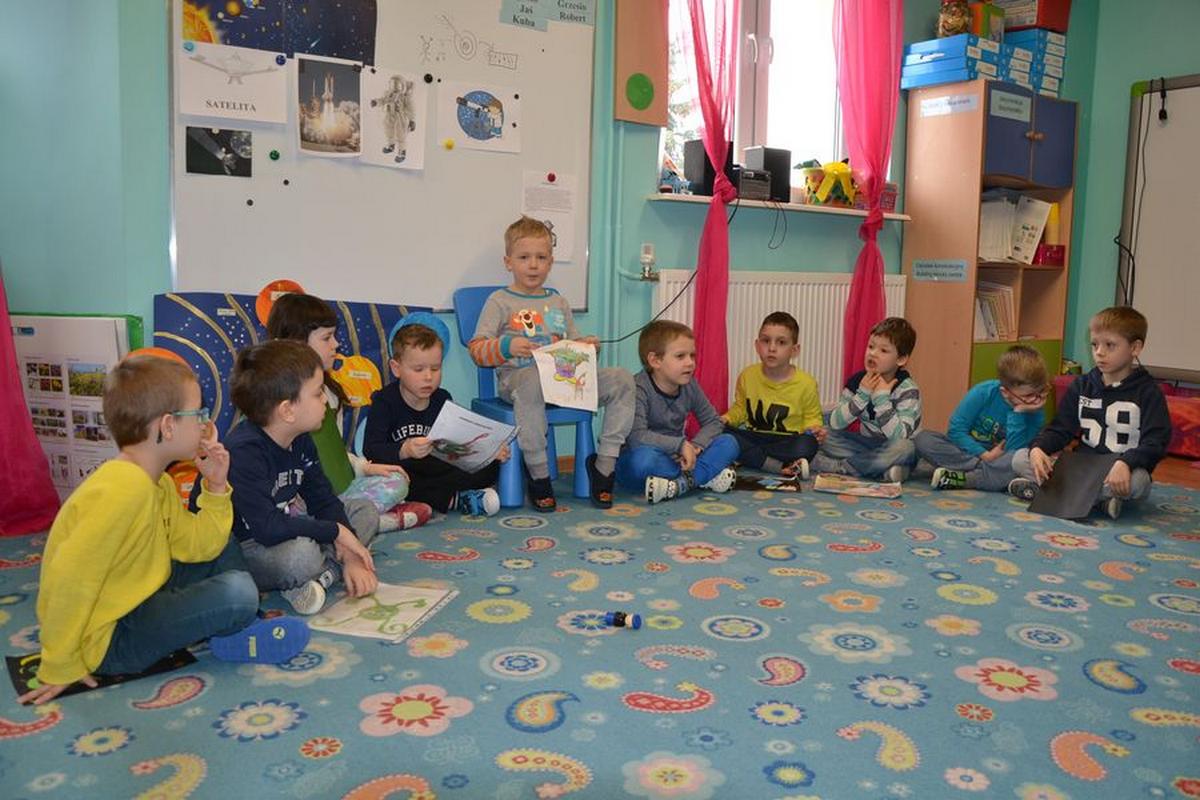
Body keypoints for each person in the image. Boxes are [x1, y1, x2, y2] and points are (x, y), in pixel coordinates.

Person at [22, 356, 308, 705]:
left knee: (224, 546)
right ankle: (235, 624)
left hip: (139, 594)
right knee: (239, 592)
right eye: (199, 414)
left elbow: (200, 547)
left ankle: (233, 627)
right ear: (169, 426)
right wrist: (61, 662)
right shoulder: (122, 490)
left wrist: (216, 486)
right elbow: (69, 579)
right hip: (112, 638)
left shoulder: (157, 482)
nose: (206, 424)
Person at [468, 216, 635, 511]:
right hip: (520, 381)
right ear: (508, 262)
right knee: (533, 378)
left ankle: (604, 467)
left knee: (622, 378)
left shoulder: (558, 302)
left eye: (541, 258)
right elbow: (477, 350)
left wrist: (586, 346)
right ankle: (539, 474)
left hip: (564, 381)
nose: (533, 265)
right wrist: (507, 346)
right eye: (524, 257)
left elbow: (572, 345)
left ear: (550, 262)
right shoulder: (499, 301)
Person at [218, 340, 379, 616]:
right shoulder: (244, 452)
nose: (325, 400)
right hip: (248, 546)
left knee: (364, 510)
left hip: (288, 528)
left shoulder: (300, 438)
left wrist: (352, 556)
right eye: (317, 393)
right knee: (301, 557)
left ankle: (324, 574)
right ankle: (321, 570)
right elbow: (267, 529)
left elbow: (323, 500)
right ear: (287, 410)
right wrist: (337, 533)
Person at [266, 292, 429, 531]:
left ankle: (355, 519)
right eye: (327, 338)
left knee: (397, 481)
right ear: (297, 343)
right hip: (302, 497)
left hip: (339, 491)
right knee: (297, 508)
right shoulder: (279, 401)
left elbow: (336, 453)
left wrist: (365, 468)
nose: (336, 344)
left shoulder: (330, 394)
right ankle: (366, 521)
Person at [1008, 306, 1172, 519]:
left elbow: (1156, 443)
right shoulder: (1081, 386)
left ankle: (1053, 492)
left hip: (1116, 471)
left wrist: (1126, 462)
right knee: (1020, 458)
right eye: (1095, 344)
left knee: (1139, 482)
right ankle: (1100, 501)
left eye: (1110, 345)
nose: (1099, 352)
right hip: (1081, 467)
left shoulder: (1148, 392)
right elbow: (1060, 429)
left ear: (1135, 348)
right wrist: (1039, 448)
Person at [363, 320, 508, 516]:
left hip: (436, 468)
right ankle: (457, 499)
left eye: (435, 368)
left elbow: (457, 445)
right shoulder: (384, 401)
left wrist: (487, 452)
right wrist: (405, 450)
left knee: (490, 466)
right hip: (406, 471)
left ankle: (453, 496)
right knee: (398, 479)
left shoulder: (442, 398)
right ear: (396, 368)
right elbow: (371, 450)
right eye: (418, 369)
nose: (428, 377)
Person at [616, 320, 740, 503]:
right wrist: (680, 445)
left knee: (730, 443)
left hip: (679, 459)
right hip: (647, 458)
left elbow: (713, 421)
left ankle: (679, 485)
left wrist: (696, 446)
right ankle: (701, 478)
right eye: (680, 356)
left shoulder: (689, 385)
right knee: (642, 461)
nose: (690, 363)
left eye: (692, 355)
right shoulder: (638, 388)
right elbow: (637, 437)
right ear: (655, 360)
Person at [916, 345, 1048, 491]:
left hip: (1002, 460)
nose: (1035, 399)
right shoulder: (984, 392)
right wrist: (985, 456)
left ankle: (967, 478)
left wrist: (1018, 412)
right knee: (923, 439)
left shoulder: (1034, 410)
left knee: (1019, 459)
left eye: (1040, 392)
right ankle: (981, 473)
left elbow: (1015, 449)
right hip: (969, 452)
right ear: (1005, 392)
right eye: (1028, 395)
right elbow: (956, 430)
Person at [814, 317, 921, 482]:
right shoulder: (857, 381)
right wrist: (862, 395)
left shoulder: (908, 389)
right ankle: (880, 469)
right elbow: (836, 423)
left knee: (905, 448)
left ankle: (843, 467)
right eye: (871, 346)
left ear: (901, 359)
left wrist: (882, 399)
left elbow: (899, 436)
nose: (872, 353)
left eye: (883, 350)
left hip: (894, 445)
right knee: (824, 433)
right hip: (866, 444)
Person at [723, 311, 825, 478]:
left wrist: (814, 429)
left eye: (781, 342)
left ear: (794, 350)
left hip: (787, 441)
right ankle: (777, 464)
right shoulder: (747, 375)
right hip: (754, 436)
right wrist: (726, 418)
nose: (771, 348)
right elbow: (740, 408)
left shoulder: (807, 383)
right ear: (757, 345)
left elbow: (812, 417)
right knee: (719, 431)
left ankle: (748, 456)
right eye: (766, 341)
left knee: (808, 445)